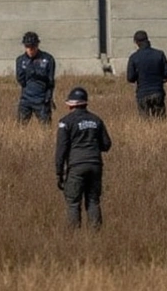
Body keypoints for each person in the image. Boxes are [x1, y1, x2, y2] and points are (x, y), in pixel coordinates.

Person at [54, 86, 112, 229]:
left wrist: (59, 173)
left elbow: (61, 149)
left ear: (70, 106)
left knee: (73, 202)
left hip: (76, 167)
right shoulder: (97, 120)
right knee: (93, 200)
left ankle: (74, 237)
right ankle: (95, 234)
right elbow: (106, 145)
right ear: (85, 103)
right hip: (95, 165)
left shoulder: (65, 122)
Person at [126, 30, 167, 118]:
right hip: (157, 91)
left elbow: (130, 78)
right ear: (147, 40)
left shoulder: (134, 57)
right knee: (160, 122)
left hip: (142, 93)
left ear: (136, 42)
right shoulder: (159, 54)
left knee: (145, 123)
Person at [16, 31, 56, 124]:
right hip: (26, 99)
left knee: (46, 127)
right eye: (27, 47)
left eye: (33, 47)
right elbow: (20, 80)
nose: (30, 50)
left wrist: (48, 97)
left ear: (37, 45)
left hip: (42, 100)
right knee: (21, 126)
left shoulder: (48, 59)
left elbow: (50, 81)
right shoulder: (20, 60)